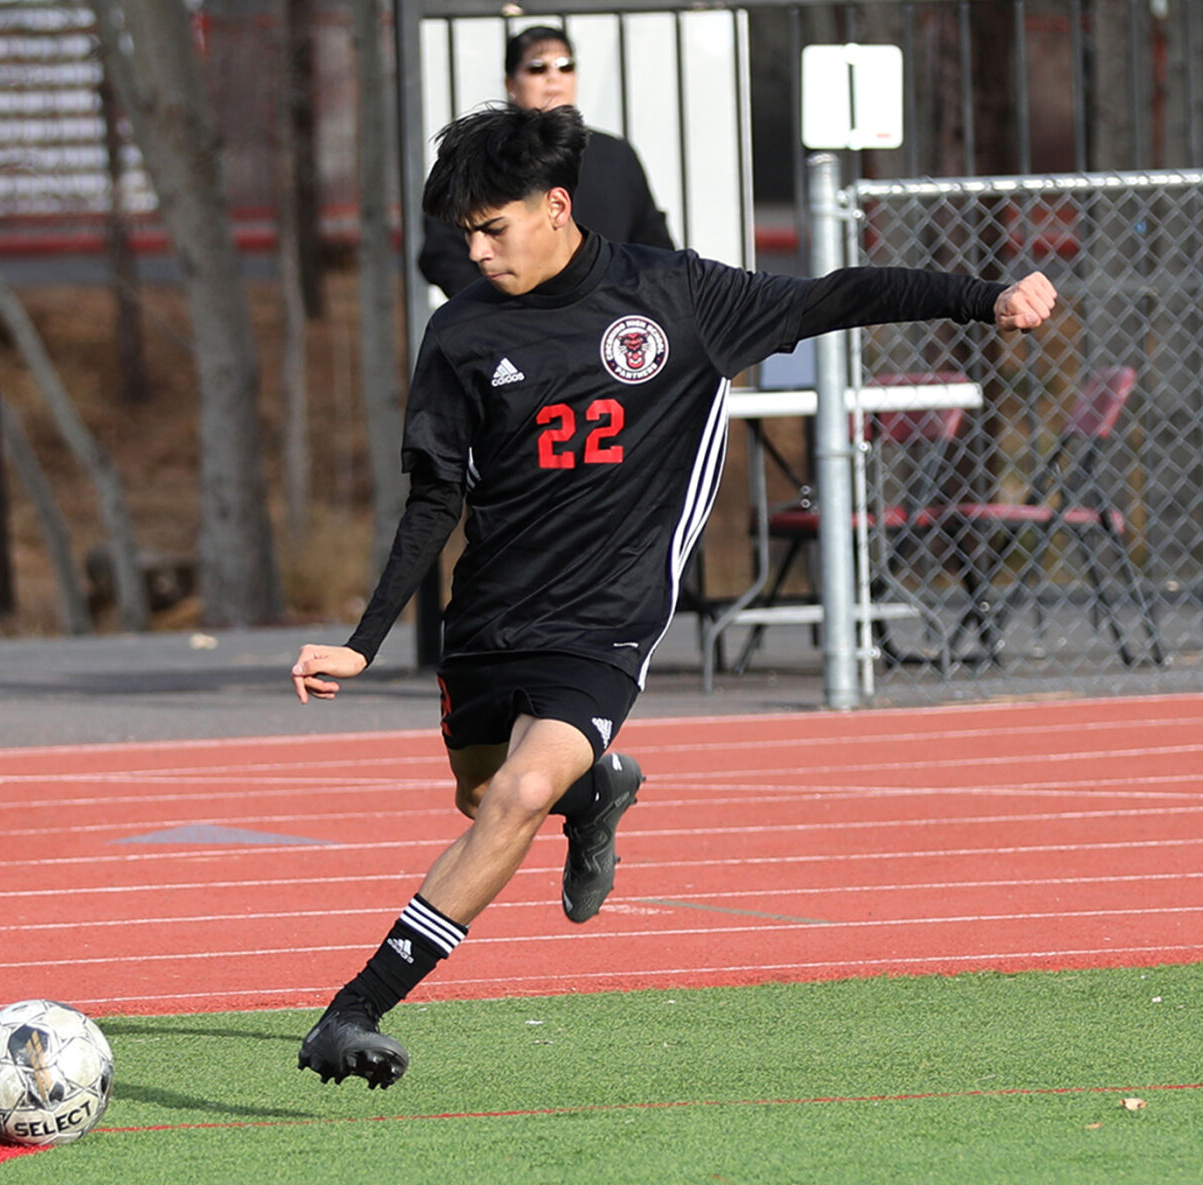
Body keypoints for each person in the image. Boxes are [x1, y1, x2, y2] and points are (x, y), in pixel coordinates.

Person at [290, 102, 1057, 1089]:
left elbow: (838, 295)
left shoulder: (672, 296)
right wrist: (365, 639)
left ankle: (351, 1013)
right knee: (484, 796)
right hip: (490, 615)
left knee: (516, 798)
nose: (476, 251)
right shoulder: (460, 332)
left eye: (492, 228)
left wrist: (982, 298)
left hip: (606, 618)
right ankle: (597, 790)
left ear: (554, 205)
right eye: (464, 234)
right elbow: (436, 495)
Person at [417, 24, 674, 298]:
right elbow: (441, 250)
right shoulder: (483, 156)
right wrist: (493, 308)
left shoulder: (616, 155)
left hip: (607, 315)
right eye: (537, 68)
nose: (554, 78)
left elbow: (653, 246)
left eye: (565, 66)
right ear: (510, 83)